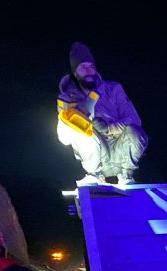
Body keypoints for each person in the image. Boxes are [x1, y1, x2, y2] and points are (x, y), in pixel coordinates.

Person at [57, 41, 147, 187]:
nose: (89, 70)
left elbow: (134, 120)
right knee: (83, 133)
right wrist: (74, 122)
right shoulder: (67, 98)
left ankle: (127, 176)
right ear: (75, 72)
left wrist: (109, 127)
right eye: (83, 67)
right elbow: (64, 139)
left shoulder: (113, 89)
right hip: (95, 155)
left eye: (91, 66)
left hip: (120, 150)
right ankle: (94, 175)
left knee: (135, 131)